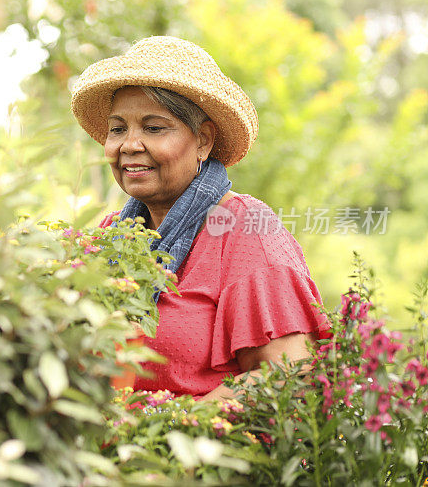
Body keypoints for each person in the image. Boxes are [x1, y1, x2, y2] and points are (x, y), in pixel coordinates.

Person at [71, 36, 330, 400]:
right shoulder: (112, 235)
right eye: (118, 129)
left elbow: (289, 376)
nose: (128, 144)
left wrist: (170, 427)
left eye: (154, 127)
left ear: (203, 142)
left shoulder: (245, 228)